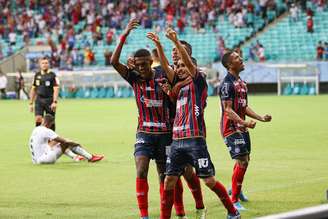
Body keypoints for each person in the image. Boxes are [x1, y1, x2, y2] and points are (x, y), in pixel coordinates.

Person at [155, 28, 240, 219]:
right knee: (169, 181)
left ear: (192, 68)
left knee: (208, 181)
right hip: (176, 141)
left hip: (195, 140)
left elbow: (187, 66)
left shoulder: (198, 82)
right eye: (178, 67)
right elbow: (168, 68)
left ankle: (232, 212)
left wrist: (176, 43)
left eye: (184, 66)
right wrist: (159, 46)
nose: (180, 68)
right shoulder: (177, 88)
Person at [111, 19, 186, 219]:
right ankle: (144, 216)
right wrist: (124, 34)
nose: (142, 68)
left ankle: (174, 212)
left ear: (150, 63)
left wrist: (160, 45)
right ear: (134, 65)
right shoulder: (133, 77)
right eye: (139, 65)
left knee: (166, 176)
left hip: (166, 135)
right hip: (144, 133)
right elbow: (113, 61)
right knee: (141, 170)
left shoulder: (162, 74)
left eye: (145, 64)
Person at [147, 32, 207, 219]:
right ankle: (180, 212)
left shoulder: (195, 75)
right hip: (170, 130)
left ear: (187, 55)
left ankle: (199, 207)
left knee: (188, 172)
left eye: (178, 51)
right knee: (171, 173)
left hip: (190, 129)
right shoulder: (172, 73)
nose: (175, 54)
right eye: (173, 51)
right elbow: (161, 67)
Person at [219, 51, 272, 211]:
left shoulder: (241, 83)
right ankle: (234, 201)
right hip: (230, 128)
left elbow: (244, 106)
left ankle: (236, 190)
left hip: (242, 127)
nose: (241, 59)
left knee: (245, 159)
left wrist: (260, 118)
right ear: (229, 65)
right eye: (236, 58)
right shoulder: (227, 84)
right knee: (242, 160)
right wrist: (243, 122)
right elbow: (227, 110)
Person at [29, 114, 104, 164]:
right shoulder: (46, 130)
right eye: (51, 125)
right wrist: (76, 143)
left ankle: (75, 157)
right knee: (66, 143)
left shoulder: (36, 129)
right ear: (48, 123)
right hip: (45, 159)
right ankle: (90, 157)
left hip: (36, 160)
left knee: (55, 142)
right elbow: (64, 141)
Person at [29, 57, 59, 131]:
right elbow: (33, 89)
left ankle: (52, 140)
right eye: (43, 63)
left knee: (50, 121)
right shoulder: (37, 75)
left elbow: (56, 89)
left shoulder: (53, 75)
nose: (44, 65)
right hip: (39, 100)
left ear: (48, 64)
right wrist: (30, 103)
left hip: (49, 100)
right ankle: (38, 137)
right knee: (38, 119)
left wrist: (55, 102)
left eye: (46, 63)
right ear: (40, 65)